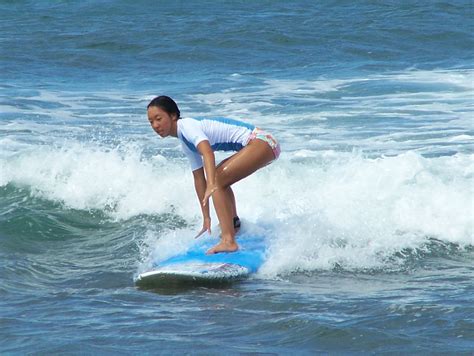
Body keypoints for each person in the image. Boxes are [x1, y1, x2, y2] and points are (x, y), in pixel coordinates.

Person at [147, 96, 280, 254]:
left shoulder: (187, 126)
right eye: (151, 122)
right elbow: (198, 178)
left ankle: (228, 241)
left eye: (158, 119)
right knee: (219, 178)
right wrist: (206, 217)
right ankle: (233, 224)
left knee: (217, 178)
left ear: (173, 115)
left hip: (263, 142)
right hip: (261, 144)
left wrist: (212, 183)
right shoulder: (185, 141)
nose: (155, 125)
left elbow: (207, 153)